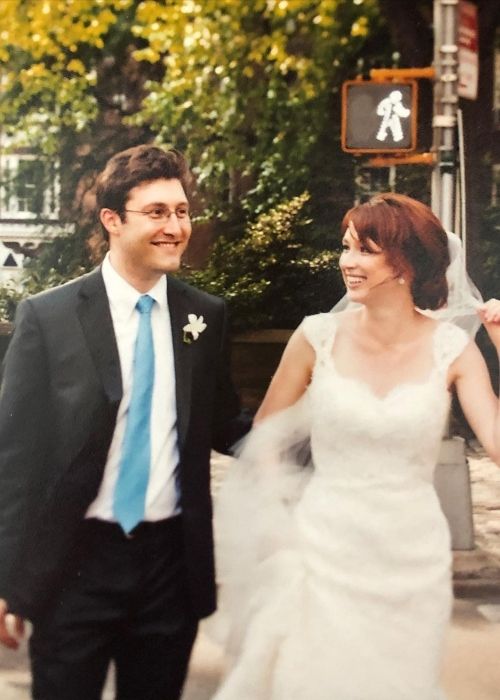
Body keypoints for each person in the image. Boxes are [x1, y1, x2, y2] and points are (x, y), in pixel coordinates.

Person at [212, 193, 500, 700]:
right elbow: (265, 438)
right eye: (346, 247)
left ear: (406, 262)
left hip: (413, 559)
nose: (347, 262)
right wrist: (281, 519)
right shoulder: (316, 336)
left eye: (365, 250)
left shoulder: (453, 348)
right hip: (323, 548)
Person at [0, 144, 249, 700]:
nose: (176, 227)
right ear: (112, 220)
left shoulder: (204, 315)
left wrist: (308, 438)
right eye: (157, 212)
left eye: (182, 211)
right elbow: (14, 460)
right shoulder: (49, 316)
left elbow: (221, 420)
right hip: (74, 566)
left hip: (169, 570)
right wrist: (5, 578)